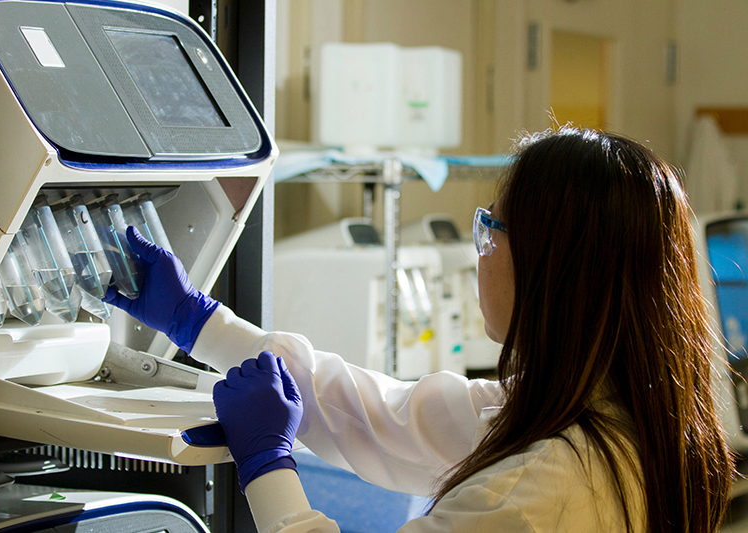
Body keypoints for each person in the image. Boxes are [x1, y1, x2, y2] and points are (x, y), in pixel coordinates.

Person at [104, 127, 735, 533]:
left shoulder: (535, 493)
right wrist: (200, 322)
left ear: (552, 268)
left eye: (491, 229)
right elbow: (380, 415)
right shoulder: (615, 420)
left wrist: (268, 468)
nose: (481, 250)